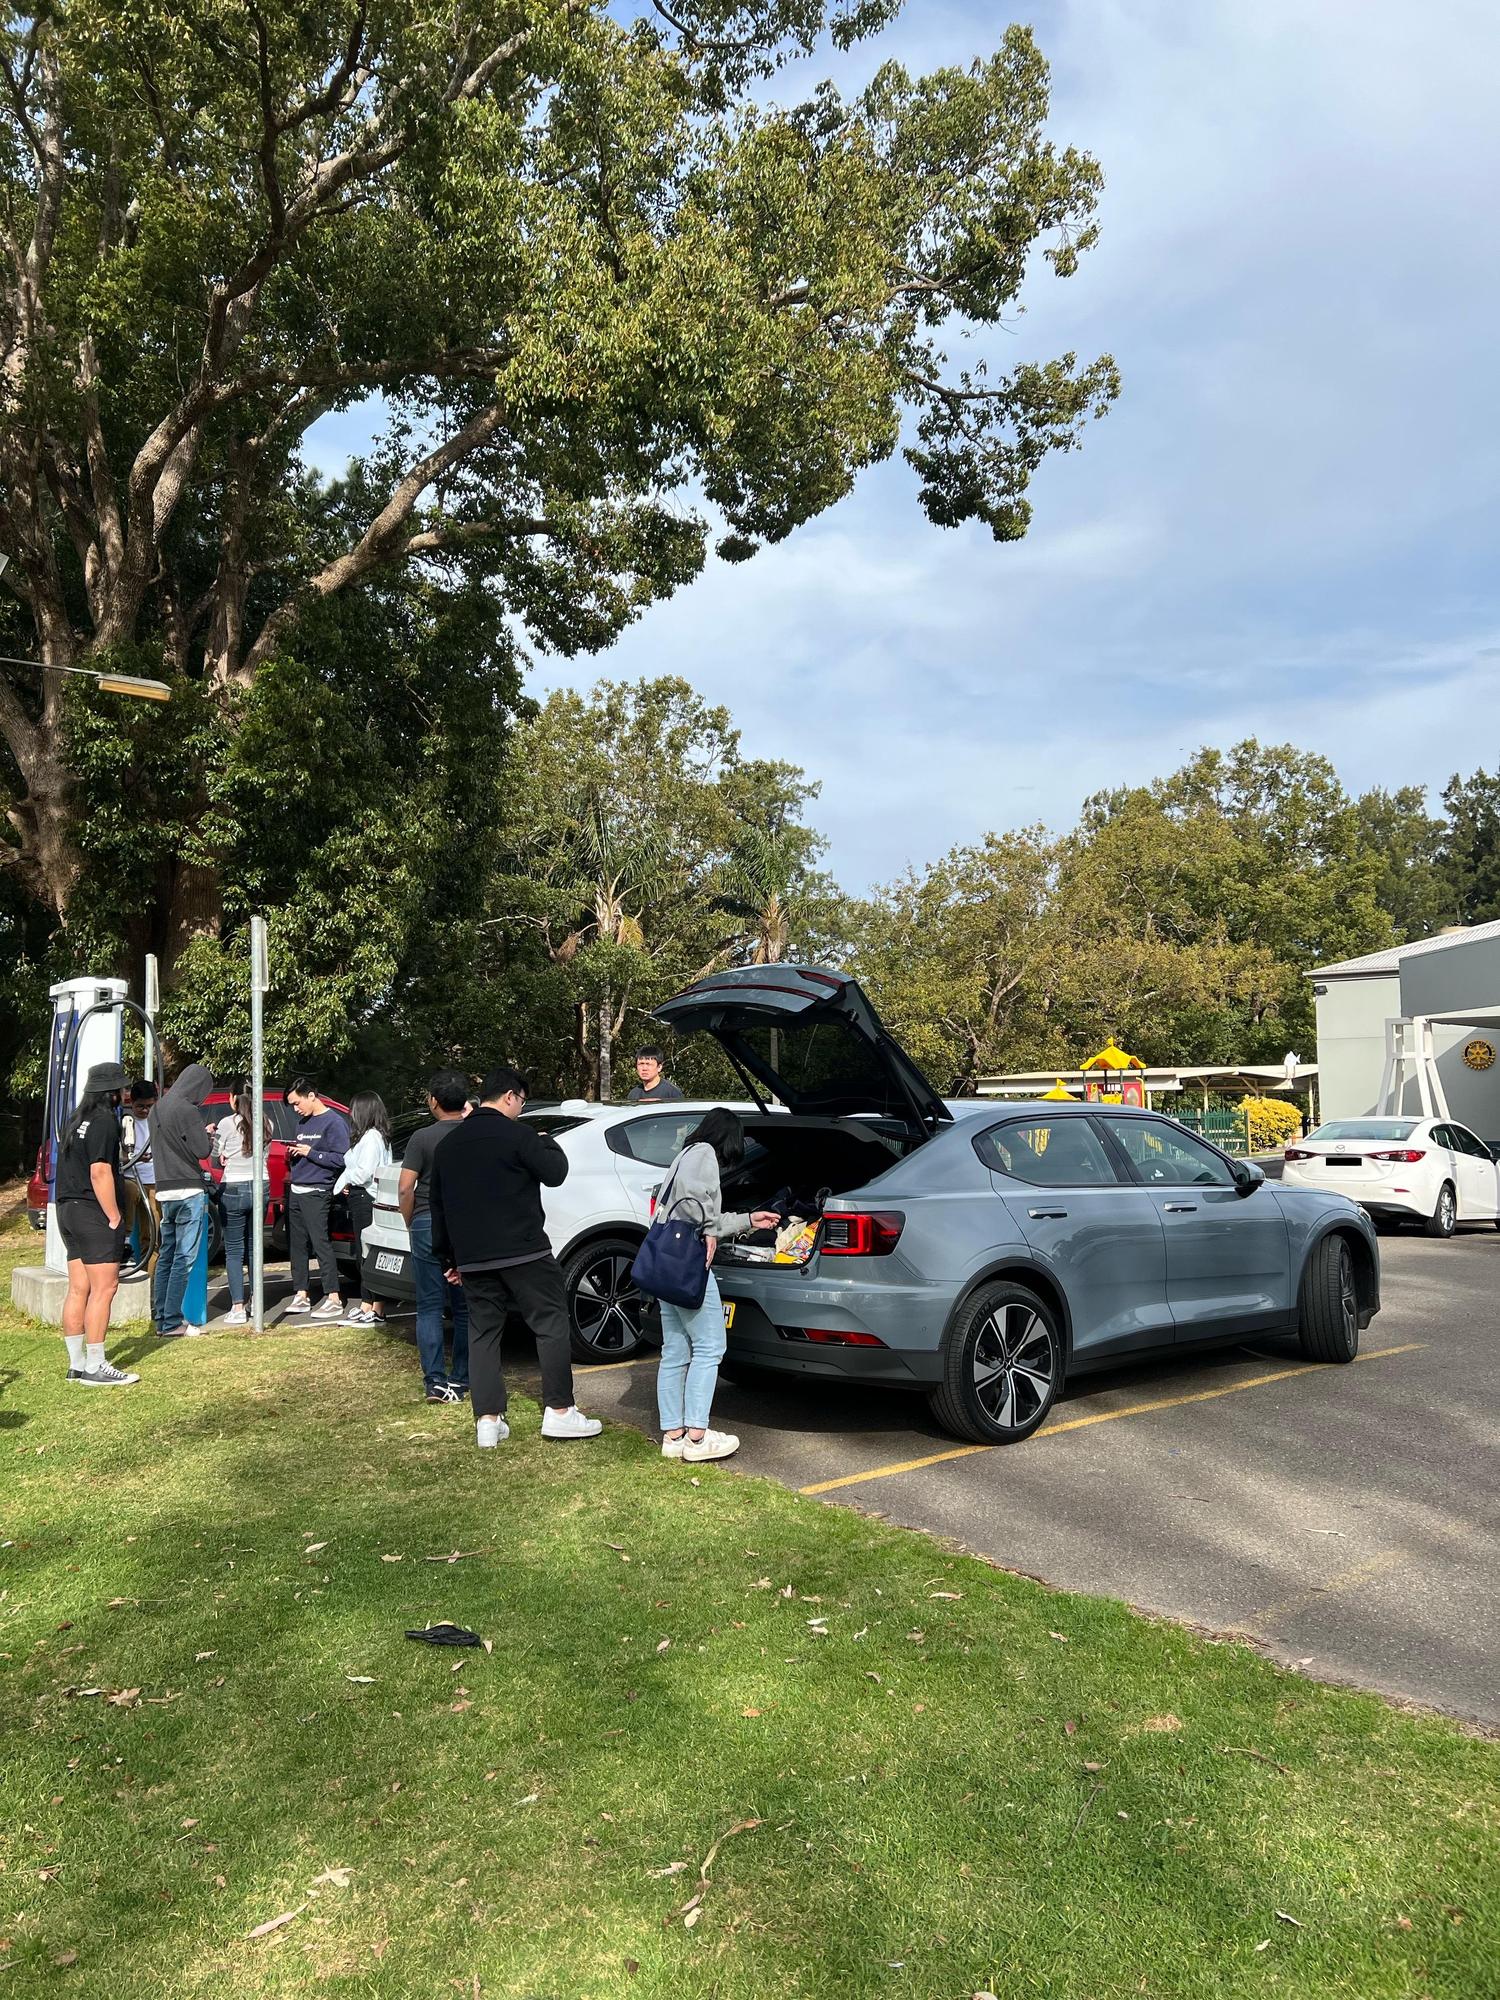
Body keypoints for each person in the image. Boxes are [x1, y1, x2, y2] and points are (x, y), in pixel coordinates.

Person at [429, 1065, 601, 1448]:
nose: (521, 1109)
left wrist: (448, 1259)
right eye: (521, 1102)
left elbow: (438, 1208)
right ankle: (559, 1411)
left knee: (483, 1333)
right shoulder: (519, 1136)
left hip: (473, 1257)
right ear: (509, 1096)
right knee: (550, 1322)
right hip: (524, 1250)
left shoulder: (448, 1146)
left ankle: (487, 1421)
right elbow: (555, 1173)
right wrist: (547, 1141)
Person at [653, 1108, 780, 1463]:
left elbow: (690, 1207)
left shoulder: (684, 1154)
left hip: (666, 1262)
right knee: (710, 1346)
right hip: (689, 1263)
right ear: (729, 1136)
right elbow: (696, 1205)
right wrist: (709, 1230)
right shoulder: (705, 1154)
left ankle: (674, 1434)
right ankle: (697, 1437)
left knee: (676, 1349)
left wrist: (748, 1219)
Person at [55, 1061, 140, 1387]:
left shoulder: (75, 1120)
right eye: (122, 1088)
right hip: (93, 1212)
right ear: (112, 1092)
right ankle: (96, 1366)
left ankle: (77, 1365)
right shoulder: (105, 1121)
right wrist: (115, 1216)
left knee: (79, 1288)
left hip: (68, 1210)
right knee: (105, 1288)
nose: (125, 1093)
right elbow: (100, 1171)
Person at [398, 1070, 471, 1402]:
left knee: (429, 1304)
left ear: (433, 1101)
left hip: (427, 1219)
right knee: (465, 1306)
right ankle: (462, 1377)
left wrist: (410, 1219)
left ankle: (435, 1381)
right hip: (465, 1223)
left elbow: (404, 1187)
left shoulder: (422, 1138)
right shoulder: (474, 1133)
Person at [152, 1062, 216, 1340]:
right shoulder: (188, 1110)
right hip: (189, 1189)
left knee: (166, 1255)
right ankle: (172, 1322)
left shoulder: (158, 1107)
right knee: (183, 1258)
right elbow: (201, 1149)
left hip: (164, 1189)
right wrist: (209, 1136)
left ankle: (160, 1317)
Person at [282, 1078, 351, 1320]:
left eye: (297, 1102)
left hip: (318, 1191)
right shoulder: (302, 1123)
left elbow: (342, 1159)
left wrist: (311, 1152)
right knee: (297, 1246)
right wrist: (295, 1153)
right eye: (292, 1105)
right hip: (297, 1189)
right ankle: (301, 1293)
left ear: (311, 1095)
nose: (295, 1109)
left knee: (320, 1242)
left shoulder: (334, 1122)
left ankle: (333, 1295)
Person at [212, 1082, 268, 1326]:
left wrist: (221, 1152)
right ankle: (257, 1300)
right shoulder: (266, 1122)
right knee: (255, 1246)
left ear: (233, 1098)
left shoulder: (226, 1123)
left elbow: (215, 1156)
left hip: (233, 1186)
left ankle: (237, 1307)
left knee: (234, 1250)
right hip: (260, 1184)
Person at [336, 1090, 393, 1329]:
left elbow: (365, 1172)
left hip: (365, 1197)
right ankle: (367, 1303)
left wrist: (348, 1181)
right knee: (363, 1252)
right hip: (362, 1196)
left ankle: (376, 1306)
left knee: (368, 1252)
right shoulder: (372, 1136)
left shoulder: (371, 1137)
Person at [121, 1079, 159, 1273]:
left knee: (151, 1235)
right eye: (140, 1106)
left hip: (153, 1181)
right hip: (132, 1177)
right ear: (131, 1103)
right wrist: (134, 1158)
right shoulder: (126, 1122)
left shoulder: (158, 1122)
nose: (145, 1111)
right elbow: (118, 1155)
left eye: (149, 1106)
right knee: (128, 1191)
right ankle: (125, 1243)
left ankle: (150, 1283)